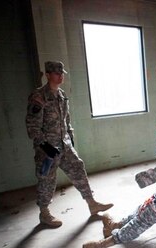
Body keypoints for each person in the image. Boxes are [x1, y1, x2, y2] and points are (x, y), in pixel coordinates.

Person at [82, 111, 156, 248]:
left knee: (141, 221)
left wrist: (143, 177)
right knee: (142, 209)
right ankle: (115, 225)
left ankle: (104, 243)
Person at [25, 61, 113, 228]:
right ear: (48, 75)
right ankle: (44, 213)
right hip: (47, 149)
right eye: (56, 73)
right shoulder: (38, 97)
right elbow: (32, 125)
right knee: (47, 180)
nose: (60, 76)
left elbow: (66, 120)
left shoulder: (61, 95)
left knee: (78, 169)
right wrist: (45, 146)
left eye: (62, 73)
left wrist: (70, 138)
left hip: (64, 145)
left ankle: (91, 203)